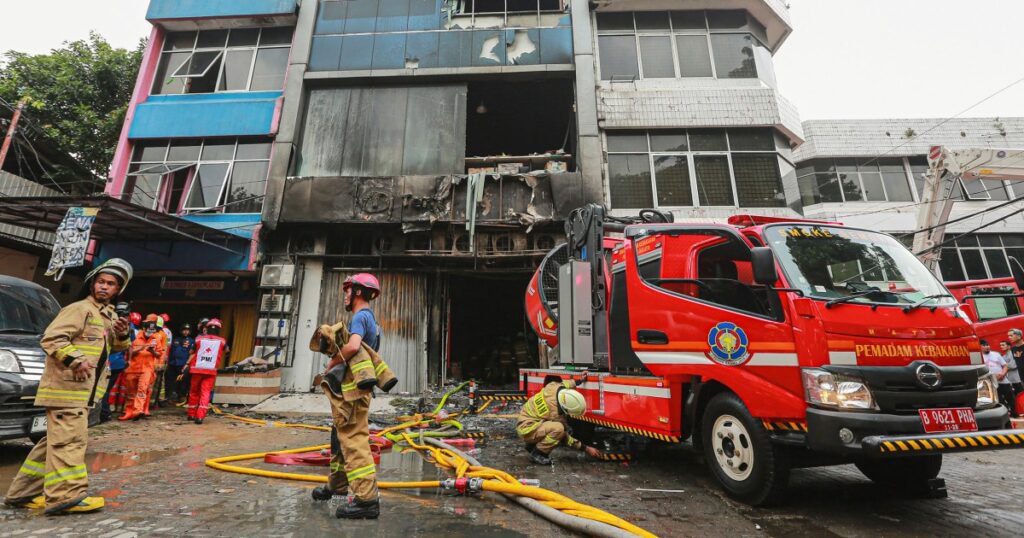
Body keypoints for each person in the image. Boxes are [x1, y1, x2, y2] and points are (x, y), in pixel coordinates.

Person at [3, 258, 133, 515]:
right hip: (67, 392)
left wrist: (122, 333)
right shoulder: (79, 309)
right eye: (101, 282)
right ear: (92, 283)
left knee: (52, 443)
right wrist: (75, 359)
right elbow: (52, 338)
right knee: (70, 444)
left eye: (111, 284)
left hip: (82, 394)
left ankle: (21, 494)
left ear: (119, 289)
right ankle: (66, 497)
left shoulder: (107, 315)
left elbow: (116, 349)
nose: (104, 287)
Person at [312, 273, 385, 520]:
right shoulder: (369, 319)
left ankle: (366, 501)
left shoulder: (361, 317)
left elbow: (353, 346)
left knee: (353, 440)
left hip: (354, 393)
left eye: (348, 290)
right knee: (339, 439)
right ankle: (338, 486)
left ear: (358, 293)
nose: (345, 294)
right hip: (352, 391)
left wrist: (330, 364)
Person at [517, 379, 602, 465]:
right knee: (559, 429)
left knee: (556, 428)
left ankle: (532, 444)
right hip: (527, 429)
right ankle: (539, 453)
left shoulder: (553, 386)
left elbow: (566, 384)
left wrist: (580, 380)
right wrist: (586, 448)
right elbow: (564, 437)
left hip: (526, 421)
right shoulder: (554, 414)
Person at [120, 314, 164, 421]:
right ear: (144, 328)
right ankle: (128, 412)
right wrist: (142, 348)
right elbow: (129, 351)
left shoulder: (156, 339)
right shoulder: (136, 337)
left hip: (147, 369)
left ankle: (138, 411)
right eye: (148, 329)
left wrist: (152, 351)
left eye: (152, 330)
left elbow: (159, 354)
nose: (150, 331)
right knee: (130, 392)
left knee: (142, 390)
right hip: (133, 368)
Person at [183, 319, 226, 424]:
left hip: (197, 370)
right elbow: (227, 350)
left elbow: (191, 352)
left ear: (207, 328)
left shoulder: (198, 339)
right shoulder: (222, 341)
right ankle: (200, 417)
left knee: (194, 392)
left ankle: (191, 414)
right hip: (210, 372)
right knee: (205, 393)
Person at [100, 312, 139, 422]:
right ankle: (106, 412)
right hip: (117, 363)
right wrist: (129, 360)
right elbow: (130, 346)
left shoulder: (106, 325)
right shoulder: (128, 328)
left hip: (109, 363)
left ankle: (105, 413)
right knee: (107, 389)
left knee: (104, 389)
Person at [166, 323, 194, 404]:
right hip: (173, 363)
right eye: (184, 330)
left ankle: (181, 396)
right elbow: (171, 351)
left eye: (187, 330)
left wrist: (187, 364)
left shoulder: (192, 341)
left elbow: (192, 353)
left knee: (183, 381)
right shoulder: (176, 340)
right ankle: (169, 397)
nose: (185, 332)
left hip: (183, 364)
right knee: (171, 380)